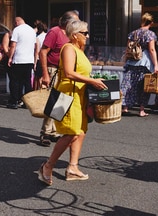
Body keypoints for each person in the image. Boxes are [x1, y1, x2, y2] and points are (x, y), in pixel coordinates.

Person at [37, 20, 107, 186]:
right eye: (85, 33)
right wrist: (91, 80)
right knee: (71, 132)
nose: (88, 36)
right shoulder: (68, 48)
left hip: (79, 95)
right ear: (75, 35)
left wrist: (93, 81)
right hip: (68, 95)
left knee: (81, 130)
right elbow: (68, 73)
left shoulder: (79, 49)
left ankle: (73, 167)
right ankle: (48, 166)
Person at [39, 10, 79, 147]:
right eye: (75, 22)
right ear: (68, 22)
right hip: (53, 70)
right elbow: (43, 52)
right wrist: (45, 74)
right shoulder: (55, 32)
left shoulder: (69, 35)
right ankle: (45, 132)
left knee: (61, 102)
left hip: (65, 71)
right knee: (52, 102)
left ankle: (54, 131)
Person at [121, 12, 158, 117]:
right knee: (144, 85)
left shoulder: (133, 33)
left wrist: (126, 59)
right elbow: (151, 49)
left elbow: (128, 47)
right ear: (151, 23)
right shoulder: (150, 34)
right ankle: (142, 110)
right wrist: (156, 64)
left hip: (132, 60)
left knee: (128, 84)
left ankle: (125, 107)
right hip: (144, 62)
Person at [7, 16, 37, 109]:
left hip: (19, 59)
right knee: (27, 82)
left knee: (15, 81)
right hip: (29, 59)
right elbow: (35, 45)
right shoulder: (32, 30)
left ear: (17, 22)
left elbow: (13, 45)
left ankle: (14, 101)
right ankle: (27, 102)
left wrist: (10, 57)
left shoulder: (17, 30)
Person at [33, 20, 47, 90]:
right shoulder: (47, 35)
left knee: (38, 78)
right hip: (46, 59)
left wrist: (35, 62)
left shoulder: (38, 38)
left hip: (39, 59)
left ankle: (38, 92)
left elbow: (37, 51)